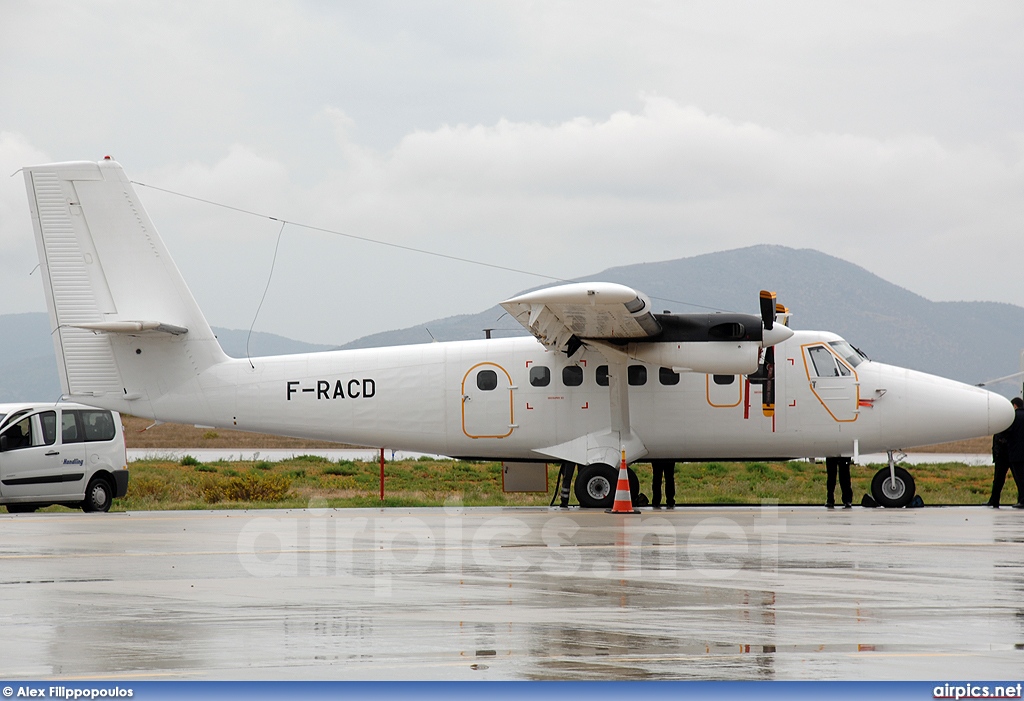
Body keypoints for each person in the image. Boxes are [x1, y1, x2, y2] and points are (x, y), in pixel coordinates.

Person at [1005, 397, 1024, 509]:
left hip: (1016, 453)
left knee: (1020, 479)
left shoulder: (1014, 417)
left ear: (1015, 406)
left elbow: (1008, 433)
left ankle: (1022, 500)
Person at [988, 419, 1012, 507]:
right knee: (999, 479)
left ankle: (994, 500)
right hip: (1006, 454)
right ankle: (993, 500)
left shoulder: (1004, 424)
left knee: (998, 479)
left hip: (1003, 455)